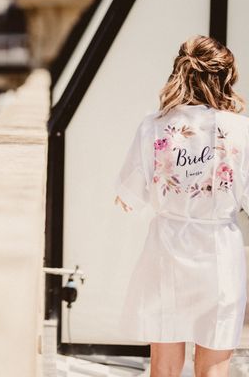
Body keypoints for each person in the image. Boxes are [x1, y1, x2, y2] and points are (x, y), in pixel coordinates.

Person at [114, 35, 248, 377]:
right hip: (219, 249)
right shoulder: (241, 131)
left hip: (167, 249)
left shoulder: (154, 126)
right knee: (214, 365)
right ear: (225, 78)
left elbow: (127, 197)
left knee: (164, 365)